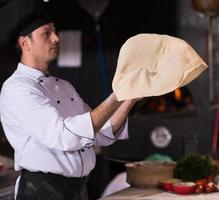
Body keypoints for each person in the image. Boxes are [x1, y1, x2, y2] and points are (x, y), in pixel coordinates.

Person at [0, 0, 138, 199]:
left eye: (55, 32)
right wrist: (116, 97)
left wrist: (129, 98)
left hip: (78, 190)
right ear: (25, 43)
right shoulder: (17, 89)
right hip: (42, 192)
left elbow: (102, 132)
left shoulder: (64, 86)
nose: (56, 38)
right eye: (47, 33)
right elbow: (65, 136)